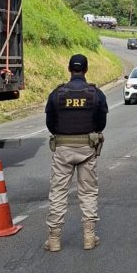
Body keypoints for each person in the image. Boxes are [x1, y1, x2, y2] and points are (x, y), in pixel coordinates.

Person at [44, 54, 108, 253]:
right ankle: (89, 236)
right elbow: (101, 122)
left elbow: (50, 122)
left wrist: (61, 134)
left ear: (69, 69)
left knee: (58, 192)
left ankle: (54, 239)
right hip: (87, 148)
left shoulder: (57, 93)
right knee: (88, 192)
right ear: (86, 70)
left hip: (62, 148)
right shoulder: (95, 93)